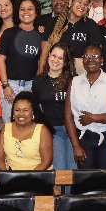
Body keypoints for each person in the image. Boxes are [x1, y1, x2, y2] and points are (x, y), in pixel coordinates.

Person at [65, 45, 106, 169]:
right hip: (83, 140)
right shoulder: (74, 82)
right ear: (82, 60)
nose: (91, 59)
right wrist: (76, 145)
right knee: (86, 182)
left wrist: (93, 118)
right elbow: (68, 116)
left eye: (95, 56)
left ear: (102, 60)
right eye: (87, 56)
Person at [0, 0, 42, 120]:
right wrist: (5, 86)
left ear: (36, 12)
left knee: (29, 123)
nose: (26, 12)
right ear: (18, 12)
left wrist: (35, 87)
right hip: (11, 85)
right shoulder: (9, 33)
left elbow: (40, 63)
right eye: (22, 9)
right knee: (9, 124)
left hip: (31, 86)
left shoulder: (41, 35)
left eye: (30, 9)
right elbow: (1, 59)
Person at [32, 43, 75, 171]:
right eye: (53, 55)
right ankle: (62, 192)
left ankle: (70, 192)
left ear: (66, 62)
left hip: (72, 130)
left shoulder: (72, 80)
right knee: (60, 170)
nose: (56, 60)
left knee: (73, 169)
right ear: (48, 56)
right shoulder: (39, 81)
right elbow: (37, 108)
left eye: (60, 58)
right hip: (54, 131)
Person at [41, 0, 103, 76]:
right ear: (70, 2)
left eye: (85, 4)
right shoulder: (54, 23)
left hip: (79, 76)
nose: (82, 6)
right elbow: (44, 53)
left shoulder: (91, 25)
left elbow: (94, 55)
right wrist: (41, 76)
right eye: (79, 1)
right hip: (54, 72)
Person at [0, 91, 54, 171]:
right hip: (11, 178)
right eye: (17, 110)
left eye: (25, 110)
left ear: (32, 112)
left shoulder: (42, 130)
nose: (21, 114)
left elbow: (46, 161)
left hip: (37, 178)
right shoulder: (5, 128)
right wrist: (6, 176)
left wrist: (29, 179)